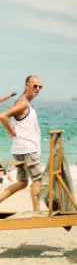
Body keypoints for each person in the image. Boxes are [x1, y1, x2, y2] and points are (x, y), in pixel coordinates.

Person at [0, 76, 43, 213]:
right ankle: (37, 213)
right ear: (26, 86)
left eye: (40, 87)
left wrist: (12, 129)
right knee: (38, 180)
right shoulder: (23, 103)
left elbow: (15, 120)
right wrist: (11, 131)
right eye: (34, 86)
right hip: (27, 149)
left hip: (21, 149)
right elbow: (2, 116)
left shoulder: (23, 103)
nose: (37, 89)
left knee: (22, 182)